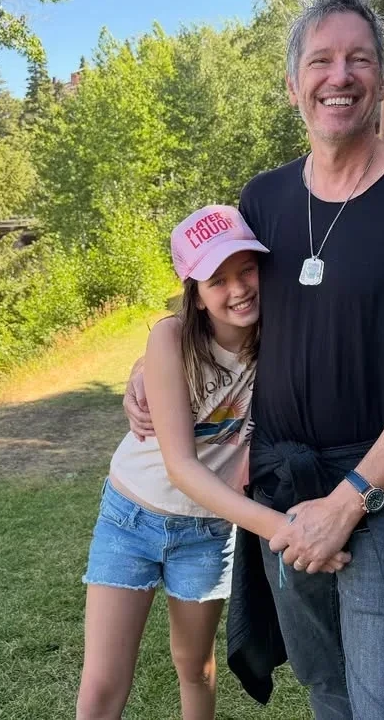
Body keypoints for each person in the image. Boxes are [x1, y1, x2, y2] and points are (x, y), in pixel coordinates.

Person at [124, 0, 384, 720]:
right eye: (321, 60)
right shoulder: (263, 200)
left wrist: (348, 501)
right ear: (293, 83)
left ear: (382, 78)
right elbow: (225, 313)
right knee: (324, 682)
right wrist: (153, 363)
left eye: (359, 59)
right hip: (280, 484)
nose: (340, 76)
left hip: (380, 488)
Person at [77, 204, 358, 720]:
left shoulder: (281, 341)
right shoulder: (170, 339)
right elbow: (181, 468)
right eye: (217, 280)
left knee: (195, 667)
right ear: (196, 294)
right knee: (102, 684)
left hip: (207, 531)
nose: (238, 289)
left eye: (246, 270)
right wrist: (286, 530)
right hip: (130, 519)